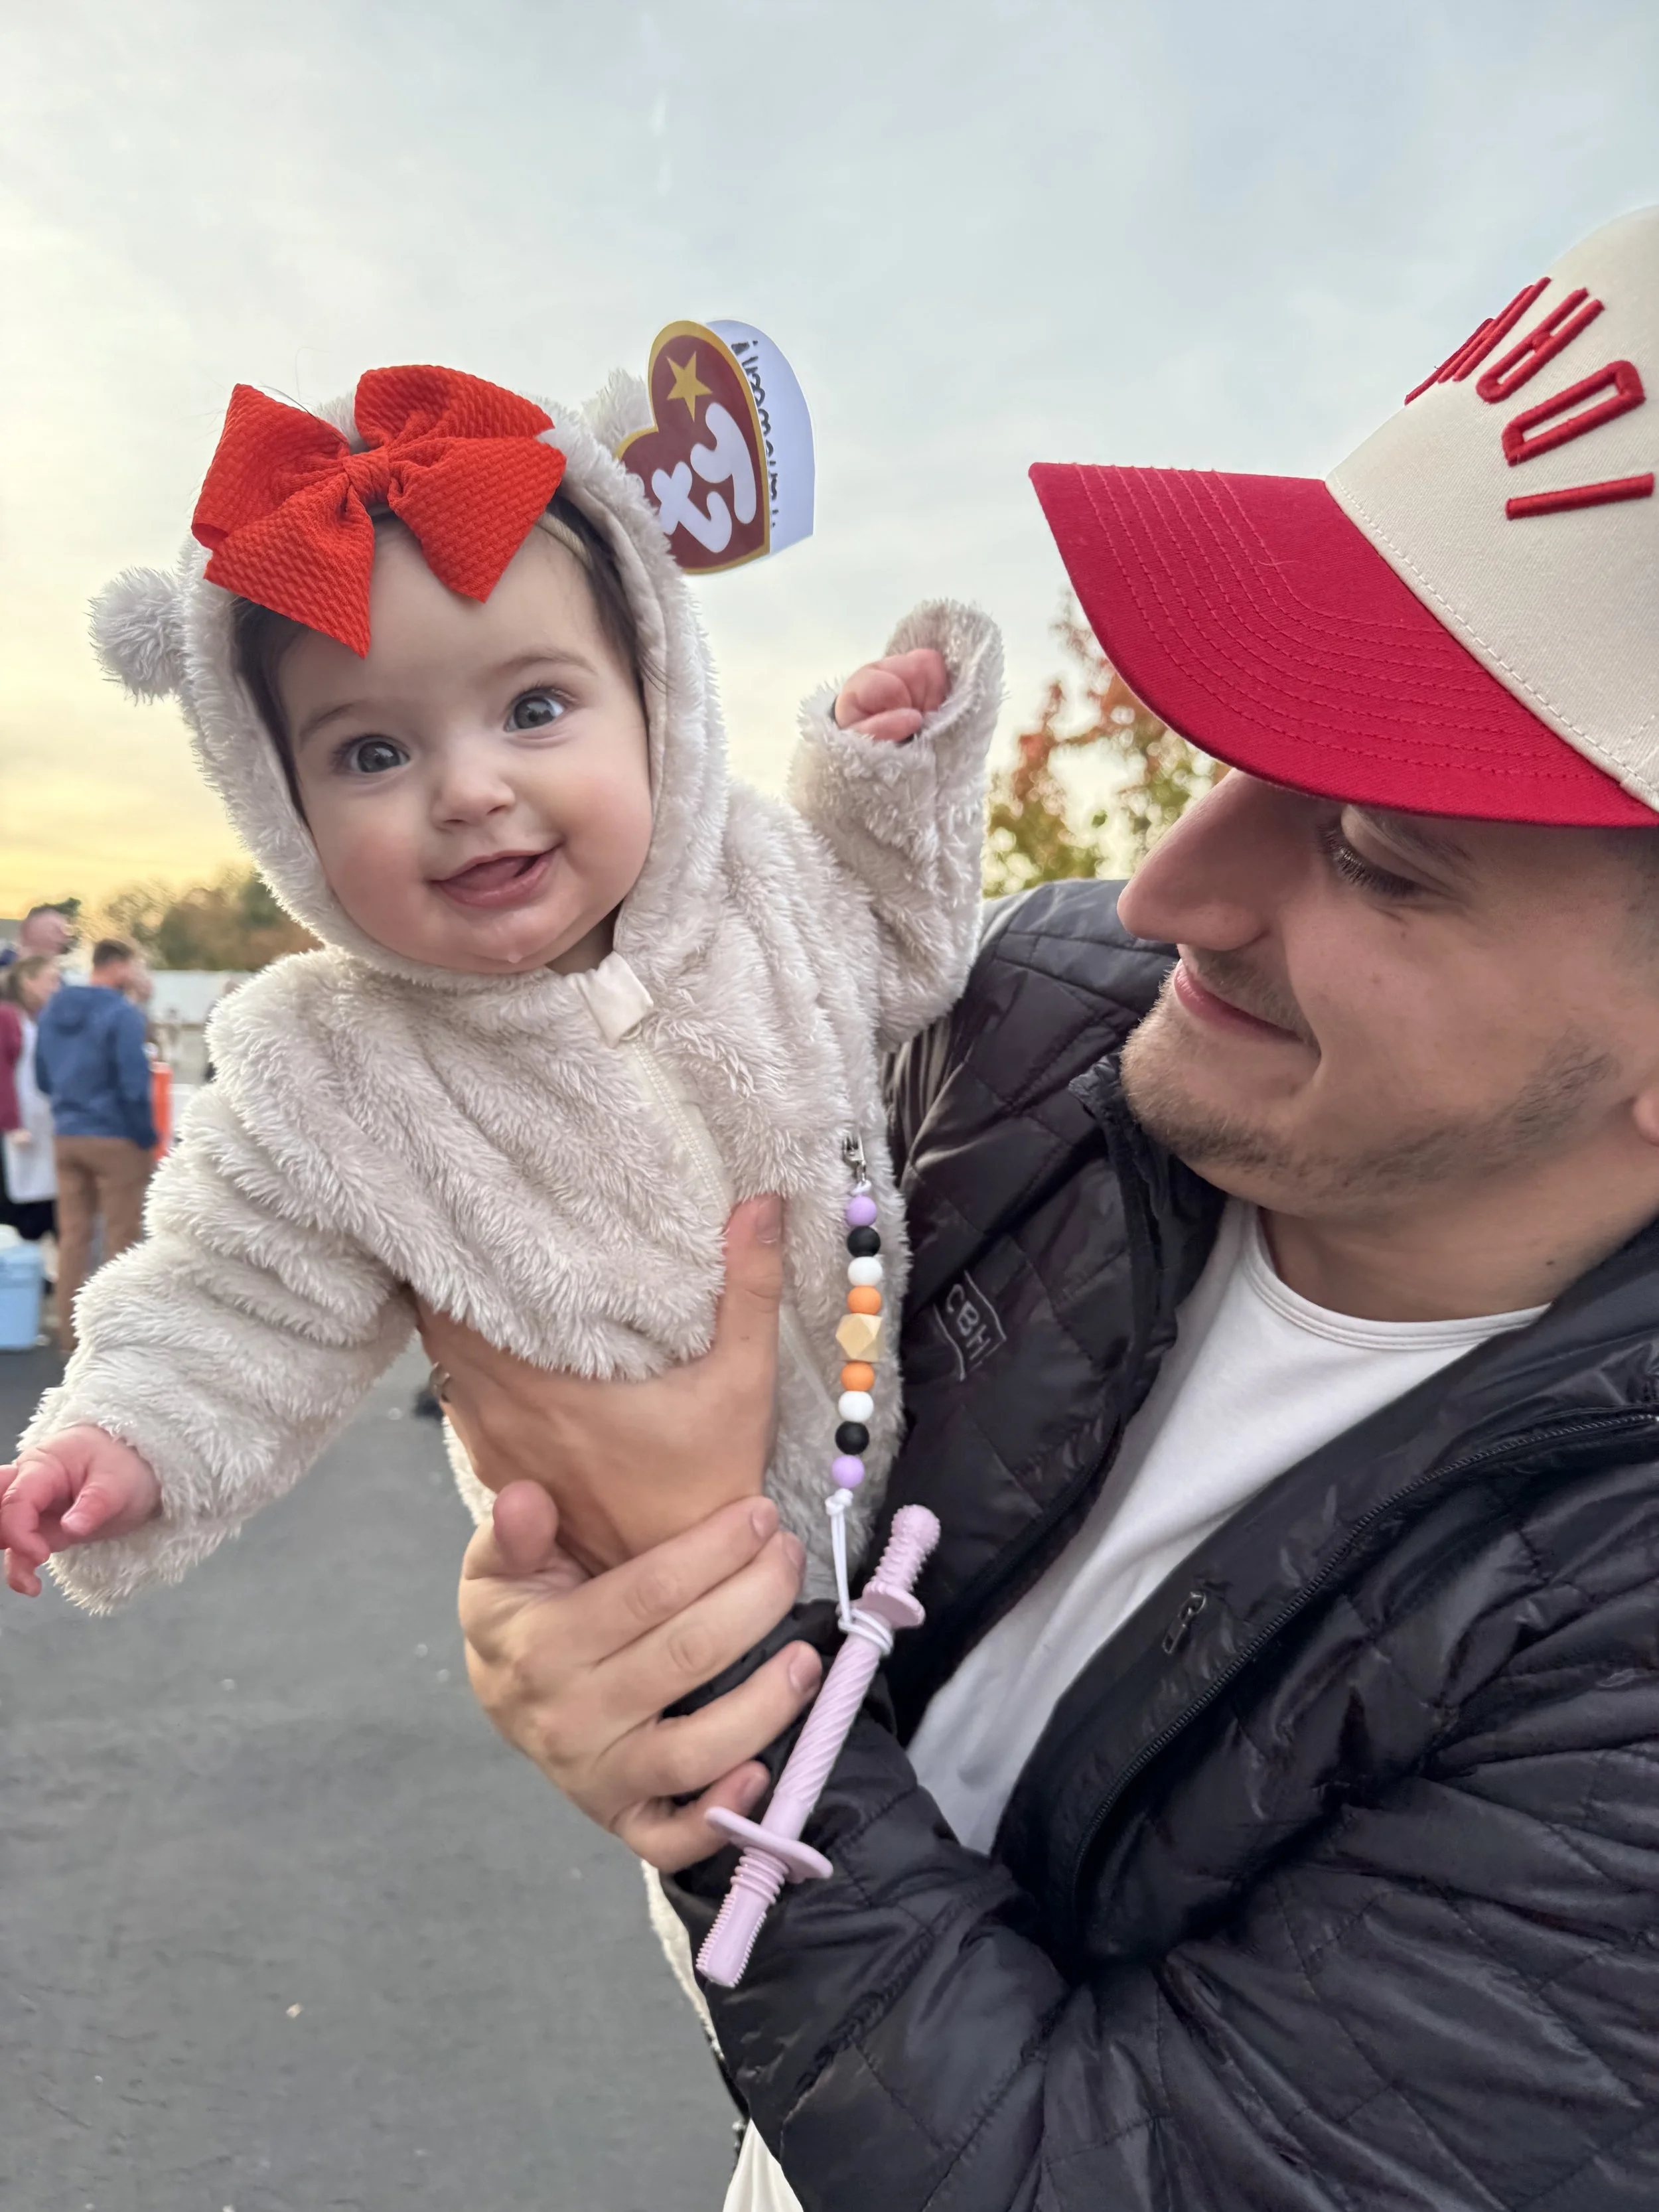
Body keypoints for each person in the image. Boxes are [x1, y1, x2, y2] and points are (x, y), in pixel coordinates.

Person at [436, 205, 1659, 2210]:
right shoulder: (1034, 1018)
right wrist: (598, 1601)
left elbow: (1115, 2173)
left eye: (1374, 851)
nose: (1164, 894)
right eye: (1237, 747)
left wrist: (727, 1731)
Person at [0, 362, 999, 1611]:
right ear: (280, 805)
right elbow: (239, 1297)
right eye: (373, 750)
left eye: (534, 705)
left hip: (949, 1498)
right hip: (634, 1596)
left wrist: (882, 789)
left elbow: (908, 953)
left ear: (656, 702)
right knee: (778, 1793)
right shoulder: (326, 1069)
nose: (468, 790)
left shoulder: (764, 881)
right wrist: (124, 1439)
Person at [33, 939, 156, 1357]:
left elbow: (43, 1078)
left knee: (73, 1238)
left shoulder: (53, 1010)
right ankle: (113, 1337)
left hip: (68, 1132)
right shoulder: (121, 1014)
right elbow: (133, 1083)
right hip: (116, 1134)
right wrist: (146, 1135)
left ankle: (71, 1335)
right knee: (121, 1237)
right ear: (120, 966)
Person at [0, 954, 62, 1248]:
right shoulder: (7, 1017)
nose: (56, 986)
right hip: (17, 1125)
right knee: (21, 1203)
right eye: (51, 979)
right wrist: (11, 1123)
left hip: (40, 1122)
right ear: (28, 982)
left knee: (43, 1197)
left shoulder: (38, 1019)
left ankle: (35, 1271)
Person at [0, 905, 74, 973]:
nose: (63, 937)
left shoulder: (62, 979)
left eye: (64, 932)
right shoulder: (5, 969)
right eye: (54, 930)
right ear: (27, 931)